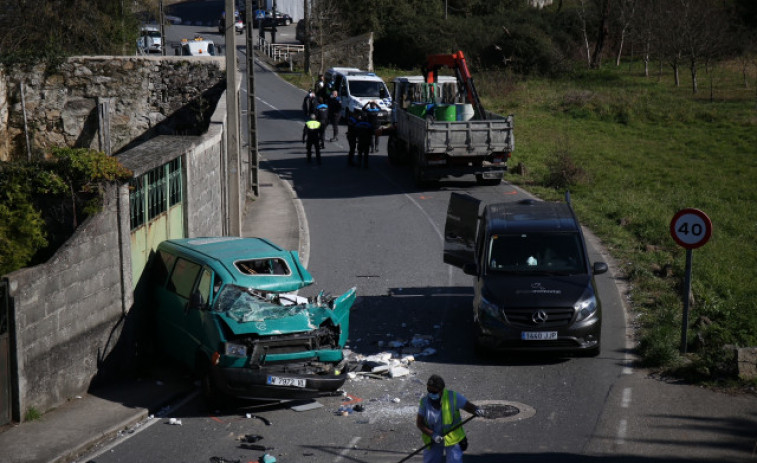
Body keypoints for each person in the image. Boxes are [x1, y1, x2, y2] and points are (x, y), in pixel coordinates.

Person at [416, 374, 485, 463]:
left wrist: (476, 410)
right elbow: (420, 423)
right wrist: (433, 435)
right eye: (429, 391)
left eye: (434, 392)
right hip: (433, 439)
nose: (430, 394)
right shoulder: (424, 402)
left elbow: (468, 406)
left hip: (452, 438)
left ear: (441, 391)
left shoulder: (453, 397)